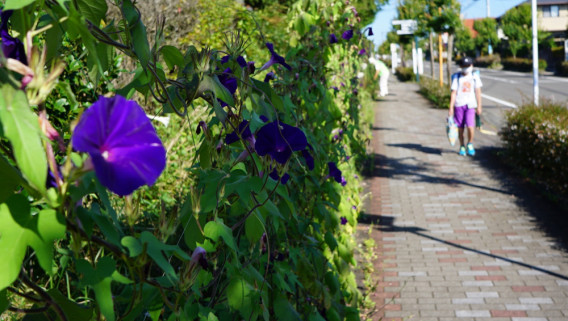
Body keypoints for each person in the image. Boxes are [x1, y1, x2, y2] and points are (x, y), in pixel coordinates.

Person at [448, 57, 482, 156]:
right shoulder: (456, 77)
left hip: (470, 105)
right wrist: (451, 107)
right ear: (460, 67)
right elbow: (453, 93)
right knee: (460, 128)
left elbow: (478, 92)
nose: (466, 68)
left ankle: (470, 143)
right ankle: (462, 145)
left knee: (470, 126)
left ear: (472, 66)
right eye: (464, 66)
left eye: (468, 66)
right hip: (459, 105)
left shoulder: (475, 77)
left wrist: (479, 106)